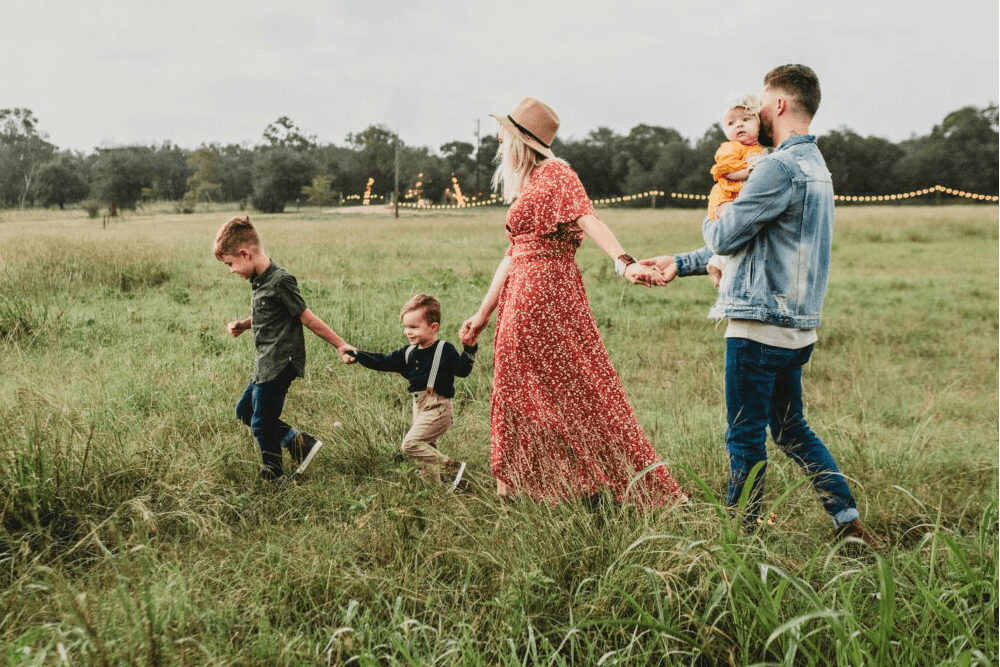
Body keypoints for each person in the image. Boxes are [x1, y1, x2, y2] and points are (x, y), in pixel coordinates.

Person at [639, 65, 879, 546]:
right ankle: (847, 521)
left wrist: (718, 212)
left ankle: (740, 539)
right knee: (792, 431)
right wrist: (682, 263)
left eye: (763, 103)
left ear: (782, 104)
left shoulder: (775, 167)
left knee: (744, 436)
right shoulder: (817, 168)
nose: (758, 113)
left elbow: (727, 234)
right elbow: (758, 243)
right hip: (797, 329)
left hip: (757, 326)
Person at [459, 96, 685, 506]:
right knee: (519, 388)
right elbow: (511, 255)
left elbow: (588, 218)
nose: (496, 141)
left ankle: (586, 480)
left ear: (520, 140)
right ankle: (524, 485)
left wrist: (624, 262)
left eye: (502, 135)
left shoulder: (556, 173)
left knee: (576, 386)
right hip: (522, 293)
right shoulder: (529, 184)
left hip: (545, 293)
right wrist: (481, 315)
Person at [214, 215, 355, 483]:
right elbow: (268, 315)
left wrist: (340, 345)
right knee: (244, 411)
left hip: (280, 363)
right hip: (265, 362)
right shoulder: (259, 280)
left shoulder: (281, 281)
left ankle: (274, 475)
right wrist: (245, 324)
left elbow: (307, 317)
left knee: (261, 421)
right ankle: (299, 443)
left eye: (230, 264)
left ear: (244, 254)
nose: (231, 270)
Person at [347, 294, 477, 492]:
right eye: (406, 327)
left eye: (414, 327)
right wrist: (358, 355)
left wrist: (470, 348)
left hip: (439, 407)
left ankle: (451, 468)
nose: (408, 332)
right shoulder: (408, 353)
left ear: (433, 327)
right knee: (425, 454)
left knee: (411, 444)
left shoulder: (444, 349)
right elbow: (383, 361)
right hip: (419, 407)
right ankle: (436, 493)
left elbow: (463, 370)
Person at [705, 93, 768, 289]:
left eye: (746, 120)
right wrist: (748, 172)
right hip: (726, 195)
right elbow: (726, 171)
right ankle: (718, 265)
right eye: (731, 123)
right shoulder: (730, 148)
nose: (739, 125)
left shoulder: (761, 150)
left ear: (758, 126)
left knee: (740, 234)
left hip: (741, 195)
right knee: (732, 225)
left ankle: (716, 263)